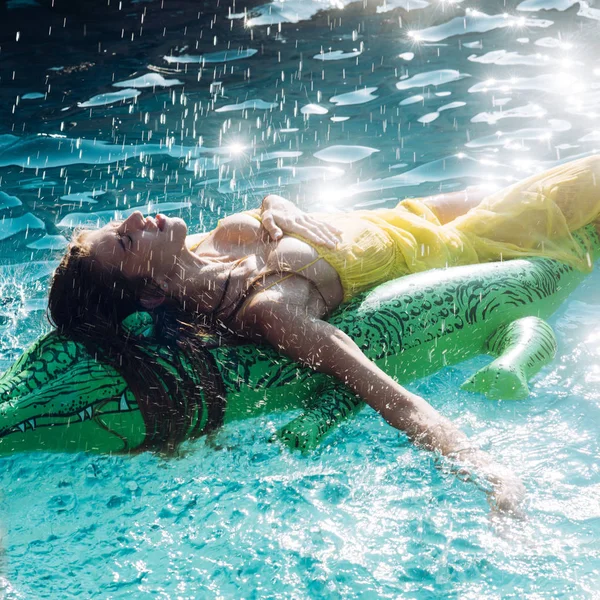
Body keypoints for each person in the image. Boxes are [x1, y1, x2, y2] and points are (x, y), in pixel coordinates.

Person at [48, 154, 600, 515]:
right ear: (148, 294)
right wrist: (488, 473)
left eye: (118, 223)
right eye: (124, 240)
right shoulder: (269, 311)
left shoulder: (207, 247)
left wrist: (277, 205)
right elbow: (384, 393)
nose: (136, 217)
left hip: (417, 212)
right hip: (473, 242)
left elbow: (274, 212)